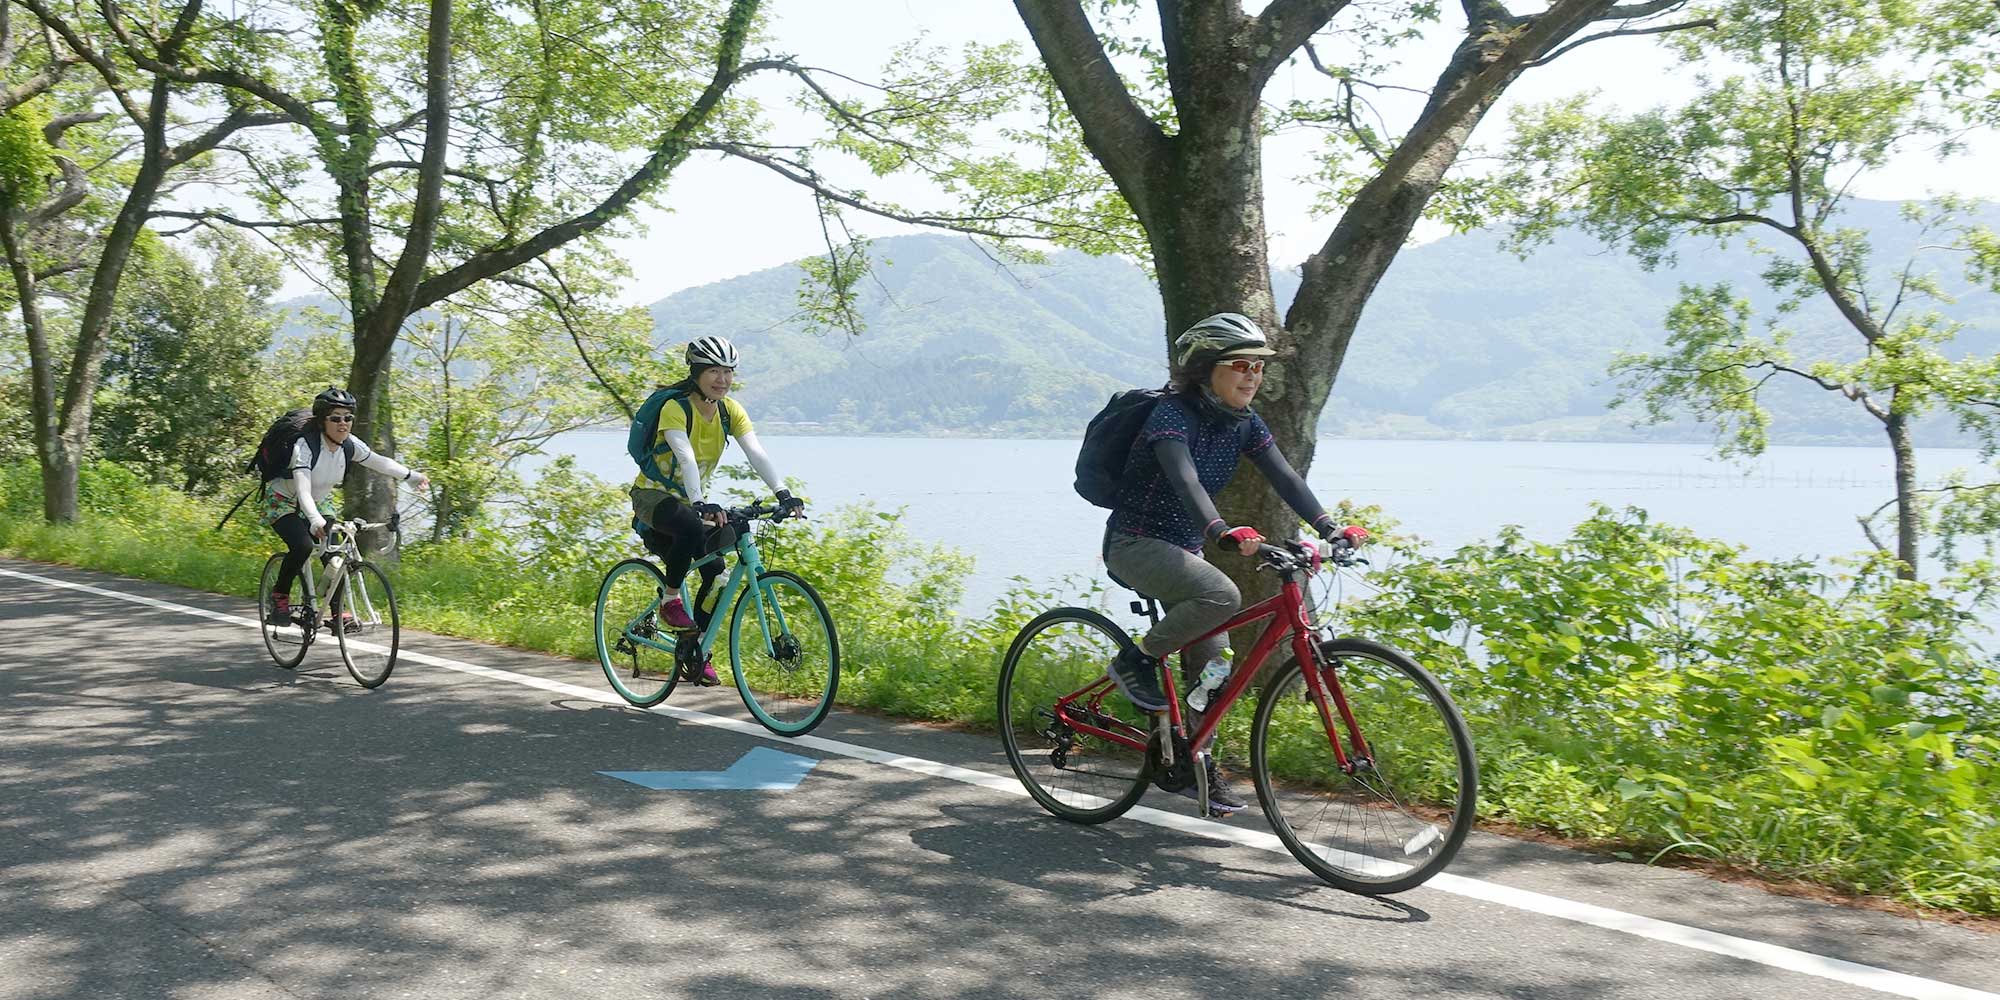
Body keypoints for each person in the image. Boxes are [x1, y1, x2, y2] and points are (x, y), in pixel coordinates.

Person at [1100, 312, 1362, 815]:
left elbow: (1284, 476)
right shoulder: (1172, 416)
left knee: (1215, 667)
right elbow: (1186, 481)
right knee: (1221, 595)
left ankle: (1193, 762)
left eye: (1259, 368)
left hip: (1184, 550)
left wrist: (1329, 528)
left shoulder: (1244, 422)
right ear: (1205, 370)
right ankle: (1133, 662)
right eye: (1240, 364)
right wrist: (1220, 529)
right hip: (1136, 543)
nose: (1252, 376)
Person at [630, 336, 803, 685]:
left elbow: (756, 452)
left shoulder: (730, 411)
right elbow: (685, 456)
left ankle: (696, 652)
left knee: (718, 574)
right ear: (696, 372)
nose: (722, 379)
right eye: (713, 370)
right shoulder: (675, 408)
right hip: (653, 499)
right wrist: (699, 503)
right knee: (691, 529)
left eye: (728, 371)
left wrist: (783, 493)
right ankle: (670, 600)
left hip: (693, 502)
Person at [263, 387, 428, 628]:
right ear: (322, 421)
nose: (343, 424)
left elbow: (379, 462)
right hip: (283, 499)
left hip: (319, 501)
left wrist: (411, 476)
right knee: (302, 545)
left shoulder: (349, 445)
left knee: (334, 553)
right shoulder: (305, 446)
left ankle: (339, 613)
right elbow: (302, 489)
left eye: (348, 418)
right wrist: (315, 519)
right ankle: (280, 596)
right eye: (336, 418)